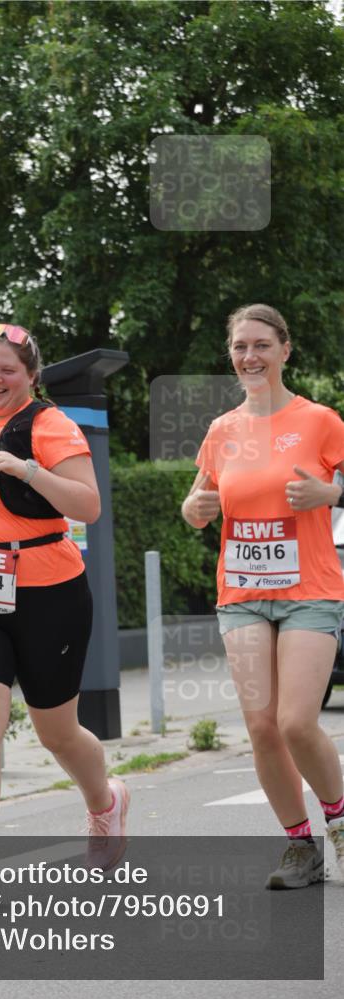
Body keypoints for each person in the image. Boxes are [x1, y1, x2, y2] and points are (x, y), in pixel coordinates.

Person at [0, 323, 129, 900]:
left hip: (47, 591)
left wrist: (26, 468)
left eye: (9, 369)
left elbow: (88, 504)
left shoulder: (49, 425)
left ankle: (105, 804)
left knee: (56, 732)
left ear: (31, 377)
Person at [182, 303, 344, 889]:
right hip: (243, 594)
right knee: (261, 726)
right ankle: (300, 847)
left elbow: (343, 482)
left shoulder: (320, 420)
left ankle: (340, 821)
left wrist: (329, 491)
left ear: (285, 350)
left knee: (298, 721)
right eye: (240, 347)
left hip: (310, 591)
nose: (249, 356)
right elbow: (197, 501)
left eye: (261, 345)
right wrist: (193, 507)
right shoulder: (223, 430)